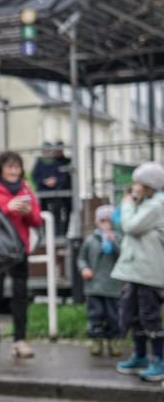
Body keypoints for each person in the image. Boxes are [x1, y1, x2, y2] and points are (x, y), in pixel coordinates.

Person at [111, 162, 164, 382]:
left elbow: (130, 226)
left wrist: (128, 204)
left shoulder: (157, 204)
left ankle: (159, 360)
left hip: (149, 273)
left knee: (149, 317)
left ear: (148, 185)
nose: (134, 187)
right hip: (136, 270)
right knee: (133, 315)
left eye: (137, 183)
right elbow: (123, 225)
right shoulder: (147, 203)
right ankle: (140, 355)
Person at [0, 151, 42, 358]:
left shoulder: (26, 189)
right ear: (0, 168)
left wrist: (28, 213)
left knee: (20, 296)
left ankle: (20, 340)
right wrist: (5, 208)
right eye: (9, 166)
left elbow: (37, 221)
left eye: (16, 167)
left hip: (19, 250)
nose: (13, 171)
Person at [76, 205, 124, 357]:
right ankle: (96, 340)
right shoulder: (90, 240)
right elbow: (81, 258)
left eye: (109, 220)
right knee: (95, 314)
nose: (106, 224)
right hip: (94, 286)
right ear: (97, 221)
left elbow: (124, 256)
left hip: (113, 286)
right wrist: (84, 268)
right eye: (102, 220)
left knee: (113, 315)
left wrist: (114, 242)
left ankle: (113, 340)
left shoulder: (119, 238)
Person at [32, 142, 69, 236]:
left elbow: (62, 176)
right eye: (45, 151)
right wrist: (45, 182)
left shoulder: (56, 163)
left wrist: (55, 180)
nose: (47, 154)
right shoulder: (39, 164)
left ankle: (57, 234)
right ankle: (45, 234)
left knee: (56, 215)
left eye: (49, 151)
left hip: (55, 193)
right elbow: (35, 177)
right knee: (43, 214)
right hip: (43, 193)